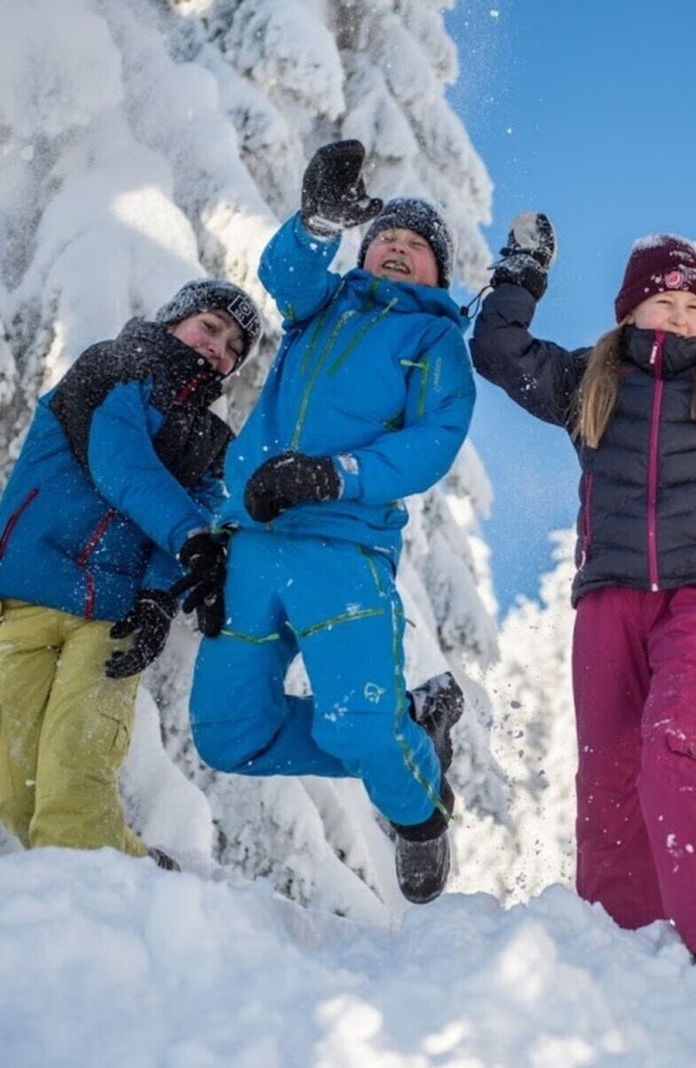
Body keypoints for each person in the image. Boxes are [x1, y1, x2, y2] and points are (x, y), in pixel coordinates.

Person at [471, 214, 696, 983]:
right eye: (665, 302)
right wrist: (521, 275)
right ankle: (623, 943)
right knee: (606, 767)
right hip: (609, 589)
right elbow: (498, 352)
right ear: (631, 308)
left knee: (672, 739)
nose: (679, 318)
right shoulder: (588, 378)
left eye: (693, 307)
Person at [186, 140, 476, 905]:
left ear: (438, 275)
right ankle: (405, 729)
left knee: (356, 725)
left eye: (415, 248)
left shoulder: (432, 339)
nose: (397, 250)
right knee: (227, 734)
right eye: (386, 238)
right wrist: (316, 222)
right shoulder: (324, 306)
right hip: (250, 542)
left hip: (341, 548)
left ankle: (420, 814)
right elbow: (287, 274)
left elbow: (433, 441)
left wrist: (337, 474)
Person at [0, 278, 263, 870]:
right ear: (175, 319)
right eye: (211, 327)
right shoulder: (111, 367)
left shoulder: (210, 441)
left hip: (115, 613)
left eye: (235, 347)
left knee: (75, 776)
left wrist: (159, 597)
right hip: (28, 589)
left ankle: (94, 917)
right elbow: (119, 463)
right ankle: (136, 870)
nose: (220, 349)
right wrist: (192, 539)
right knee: (10, 779)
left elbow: (199, 521)